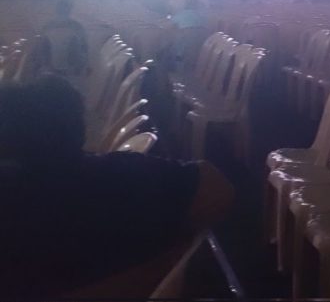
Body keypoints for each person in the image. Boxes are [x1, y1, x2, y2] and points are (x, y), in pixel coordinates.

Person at [0, 76, 233, 299]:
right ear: (78, 128)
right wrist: (170, 256)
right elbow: (218, 187)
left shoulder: (16, 205)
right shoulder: (118, 175)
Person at [41, 0, 89, 76]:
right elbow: (84, 49)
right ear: (70, 10)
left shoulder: (47, 26)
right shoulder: (77, 26)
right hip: (70, 71)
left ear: (56, 10)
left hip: (48, 70)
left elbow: (40, 49)